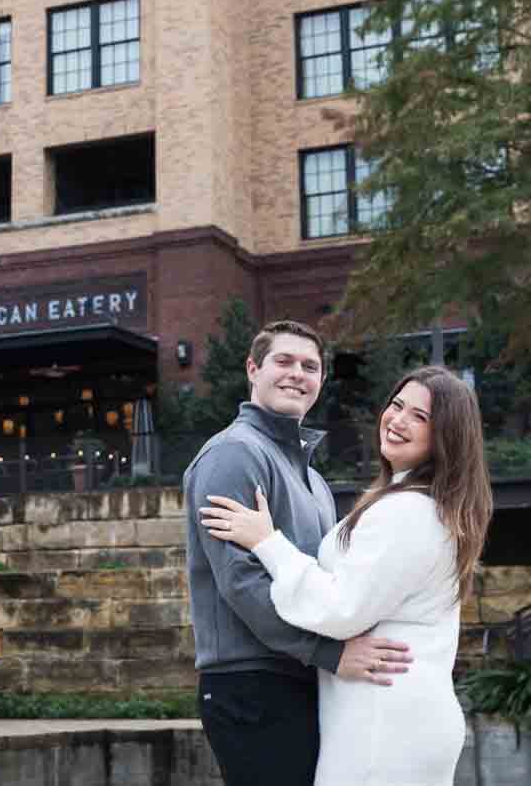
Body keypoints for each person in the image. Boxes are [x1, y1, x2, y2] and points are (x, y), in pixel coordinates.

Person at [201, 364, 493, 786]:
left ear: (446, 437)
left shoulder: (408, 512)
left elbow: (341, 609)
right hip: (398, 714)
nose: (398, 420)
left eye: (420, 416)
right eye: (397, 405)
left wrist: (267, 541)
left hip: (385, 724)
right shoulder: (427, 506)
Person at [182, 320, 417, 786]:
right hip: (252, 684)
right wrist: (329, 652)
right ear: (253, 369)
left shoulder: (314, 481)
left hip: (301, 679)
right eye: (283, 361)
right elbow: (241, 582)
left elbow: (324, 583)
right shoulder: (232, 455)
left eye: (310, 366)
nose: (297, 374)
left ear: (320, 382)